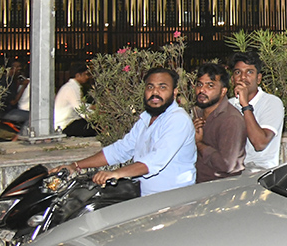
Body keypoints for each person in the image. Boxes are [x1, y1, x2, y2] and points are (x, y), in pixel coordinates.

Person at [55, 67, 196, 195]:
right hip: (146, 198)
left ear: (174, 92)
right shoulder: (146, 118)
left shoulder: (178, 119)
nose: (155, 92)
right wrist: (75, 166)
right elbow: (121, 149)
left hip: (174, 201)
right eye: (150, 87)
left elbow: (155, 161)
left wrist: (116, 174)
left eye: (162, 87)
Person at [229, 52, 286, 171]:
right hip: (232, 172)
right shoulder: (228, 105)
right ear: (232, 79)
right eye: (238, 72)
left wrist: (245, 106)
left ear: (258, 78)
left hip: (261, 172)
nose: (243, 77)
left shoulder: (271, 102)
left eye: (249, 72)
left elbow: (260, 144)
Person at [192, 63, 247, 183]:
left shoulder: (231, 119)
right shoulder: (198, 113)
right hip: (195, 184)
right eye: (199, 84)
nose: (202, 90)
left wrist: (199, 144)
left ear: (223, 91)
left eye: (210, 86)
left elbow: (226, 165)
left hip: (221, 187)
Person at [55, 63, 95, 136]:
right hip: (66, 124)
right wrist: (95, 116)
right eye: (86, 74)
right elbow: (79, 108)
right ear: (78, 75)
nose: (87, 77)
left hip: (69, 122)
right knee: (94, 127)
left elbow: (79, 105)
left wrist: (92, 107)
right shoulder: (71, 88)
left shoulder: (72, 86)